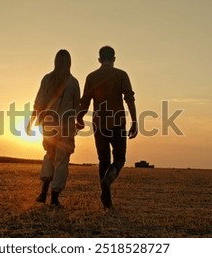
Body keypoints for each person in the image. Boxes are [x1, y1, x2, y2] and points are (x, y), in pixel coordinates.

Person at [76, 46, 138, 209]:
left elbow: (85, 102)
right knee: (119, 159)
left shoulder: (91, 77)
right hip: (118, 123)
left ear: (99, 60)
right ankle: (108, 180)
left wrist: (79, 118)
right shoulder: (121, 75)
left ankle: (106, 199)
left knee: (103, 160)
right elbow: (129, 99)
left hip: (99, 124)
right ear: (114, 59)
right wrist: (135, 121)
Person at [27, 49, 80, 208]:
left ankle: (43, 193)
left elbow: (38, 102)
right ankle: (55, 198)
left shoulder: (47, 79)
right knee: (62, 160)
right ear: (70, 63)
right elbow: (77, 105)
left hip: (47, 125)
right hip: (65, 126)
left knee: (49, 155)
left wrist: (31, 122)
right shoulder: (73, 82)